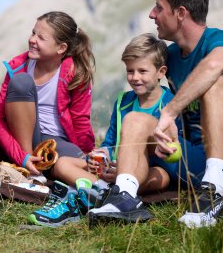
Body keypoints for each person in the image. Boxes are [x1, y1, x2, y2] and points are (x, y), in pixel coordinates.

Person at [88, 0, 223, 228]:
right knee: (135, 119)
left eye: (159, 7)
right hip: (198, 159)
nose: (152, 14)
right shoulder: (172, 56)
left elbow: (212, 67)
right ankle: (124, 197)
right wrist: (165, 137)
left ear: (180, 13)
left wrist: (169, 113)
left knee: (214, 81)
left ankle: (213, 194)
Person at [28, 33, 176, 227]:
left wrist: (124, 171)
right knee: (62, 163)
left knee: (162, 177)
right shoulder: (123, 102)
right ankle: (104, 192)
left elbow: (171, 150)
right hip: (115, 169)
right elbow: (110, 142)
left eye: (142, 71)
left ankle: (100, 192)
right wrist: (103, 154)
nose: (135, 77)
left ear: (161, 72)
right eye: (130, 71)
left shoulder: (170, 104)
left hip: (148, 169)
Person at [0, 11, 96, 177]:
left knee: (80, 164)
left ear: (61, 48)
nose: (32, 40)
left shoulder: (76, 74)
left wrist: (88, 153)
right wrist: (23, 157)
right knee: (21, 82)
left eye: (41, 37)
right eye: (33, 33)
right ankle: (28, 168)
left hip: (55, 141)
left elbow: (80, 120)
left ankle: (106, 193)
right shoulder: (18, 67)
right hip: (21, 140)